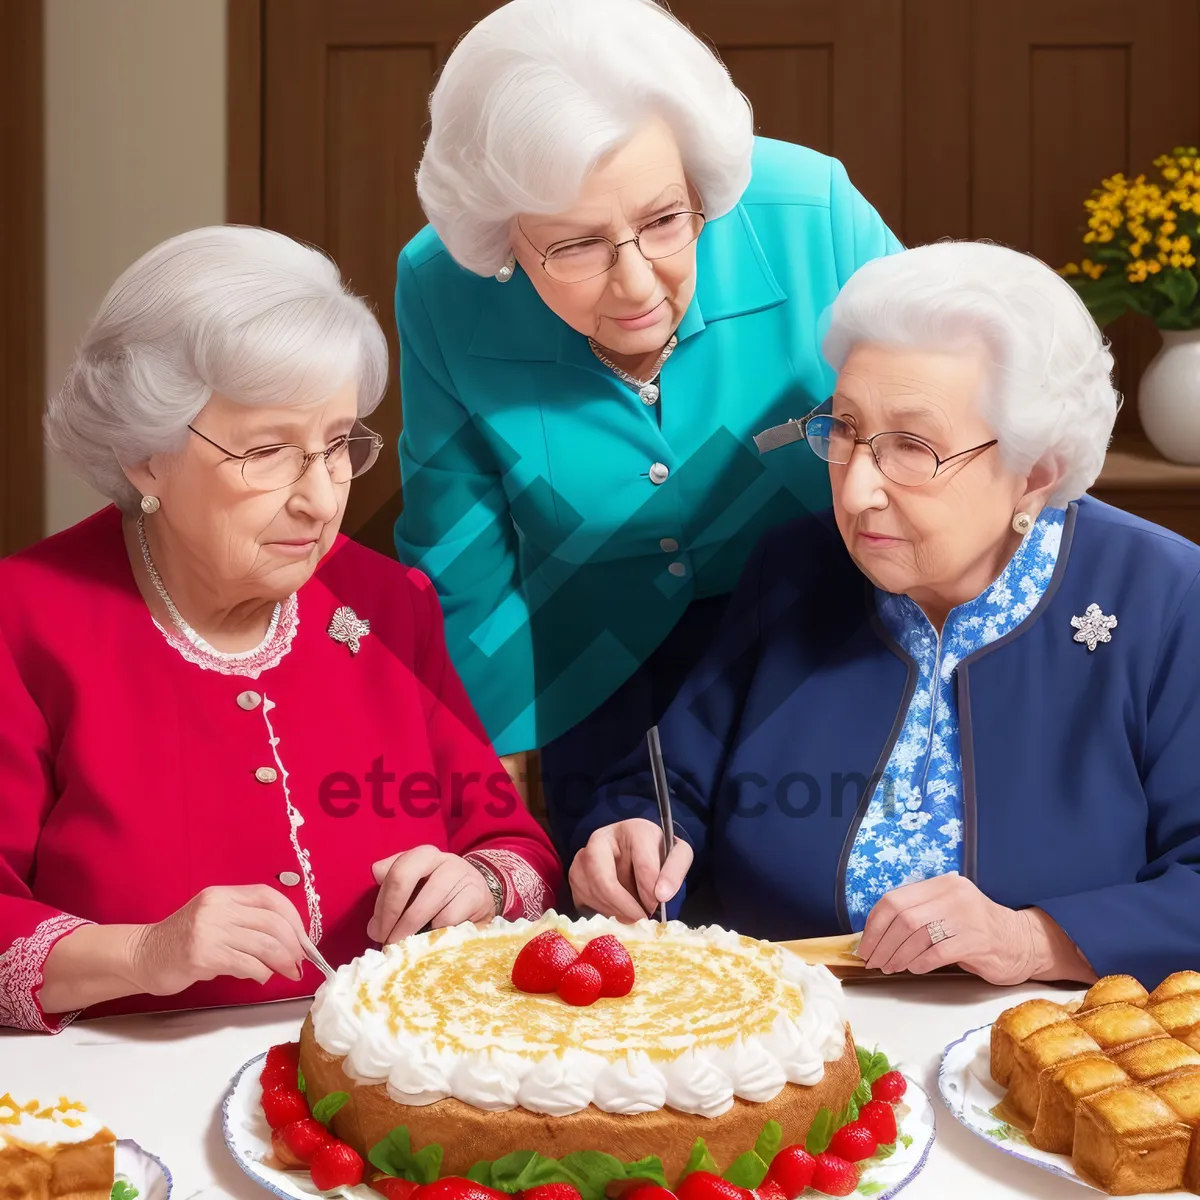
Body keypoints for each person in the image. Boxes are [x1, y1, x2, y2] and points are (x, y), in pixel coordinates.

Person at [566, 240, 1200, 989]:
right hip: (780, 1032)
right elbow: (668, 786)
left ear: (1036, 471)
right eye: (843, 430)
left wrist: (1031, 939)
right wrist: (630, 836)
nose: (857, 489)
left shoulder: (1162, 593)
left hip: (1051, 1046)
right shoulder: (796, 570)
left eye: (911, 448)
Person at [0, 226, 559, 1033]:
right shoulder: (25, 621)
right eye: (268, 453)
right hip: (123, 1111)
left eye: (336, 445)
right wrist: (142, 955)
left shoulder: (388, 603)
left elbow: (516, 844)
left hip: (383, 1083)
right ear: (144, 453)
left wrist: (485, 884)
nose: (322, 499)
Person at [393, 0, 902, 859]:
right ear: (504, 238)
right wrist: (493, 788)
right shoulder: (445, 285)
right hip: (593, 667)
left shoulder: (812, 214)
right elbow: (459, 550)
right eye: (577, 247)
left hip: (833, 632)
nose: (634, 285)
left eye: (665, 221)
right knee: (622, 914)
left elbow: (949, 418)